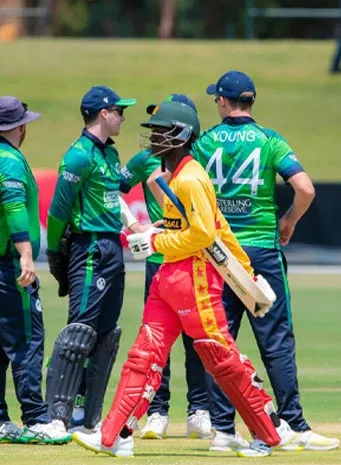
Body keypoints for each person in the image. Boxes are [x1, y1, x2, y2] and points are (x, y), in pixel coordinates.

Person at [70, 100, 293, 458]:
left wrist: (156, 241)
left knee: (220, 357)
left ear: (182, 135)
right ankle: (114, 436)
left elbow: (205, 235)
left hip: (196, 280)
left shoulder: (191, 178)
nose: (154, 137)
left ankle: (268, 433)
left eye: (161, 131)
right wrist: (155, 231)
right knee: (144, 355)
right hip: (169, 278)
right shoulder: (176, 177)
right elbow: (212, 228)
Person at [195, 70, 339, 452]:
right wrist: (288, 220)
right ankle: (295, 424)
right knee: (275, 340)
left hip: (219, 254)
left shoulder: (205, 142)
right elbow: (305, 188)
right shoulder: (270, 140)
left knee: (220, 340)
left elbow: (171, 180)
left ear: (224, 102)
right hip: (261, 251)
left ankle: (223, 431)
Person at [0, 96, 72, 445]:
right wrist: (26, 254)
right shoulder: (10, 160)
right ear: (19, 126)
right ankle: (36, 417)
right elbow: (14, 208)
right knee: (28, 339)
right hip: (5, 264)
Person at [45, 86, 144, 435]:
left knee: (106, 333)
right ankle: (57, 417)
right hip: (86, 247)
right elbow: (58, 209)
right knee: (79, 332)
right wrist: (54, 251)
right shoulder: (78, 155)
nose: (123, 116)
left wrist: (133, 223)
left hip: (111, 247)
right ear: (103, 113)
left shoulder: (110, 155)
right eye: (119, 110)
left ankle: (88, 417)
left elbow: (115, 192)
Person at [122, 94, 212, 441]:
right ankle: (157, 412)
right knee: (157, 339)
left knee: (196, 338)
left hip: (191, 259)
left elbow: (200, 220)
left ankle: (199, 410)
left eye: (162, 126)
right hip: (159, 259)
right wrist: (133, 225)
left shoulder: (196, 164)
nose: (156, 134)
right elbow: (111, 190)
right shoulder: (146, 159)